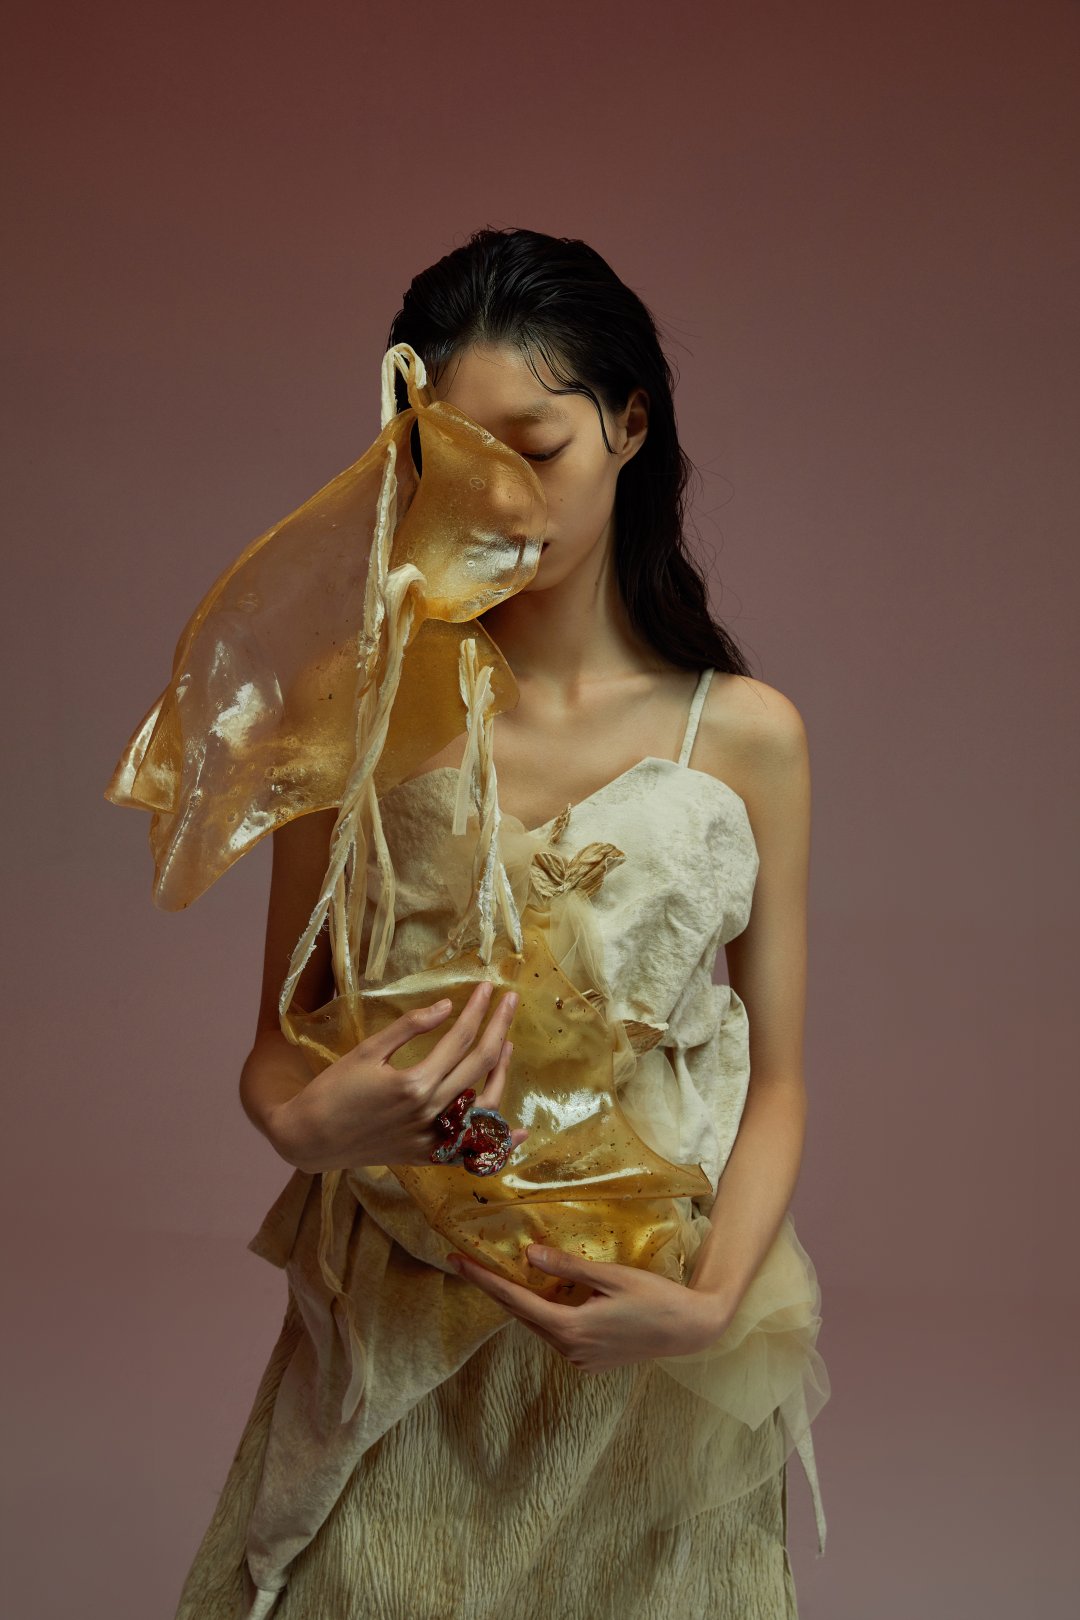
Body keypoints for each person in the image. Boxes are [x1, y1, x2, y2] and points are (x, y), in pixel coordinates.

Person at [107, 226, 829, 1619]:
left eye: (538, 447)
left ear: (628, 426)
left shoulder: (750, 737)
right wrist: (305, 1126)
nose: (503, 496)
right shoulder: (359, 710)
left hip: (644, 1331)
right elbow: (281, 1042)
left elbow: (782, 1079)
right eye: (458, 456)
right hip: (395, 1314)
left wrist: (705, 1307)